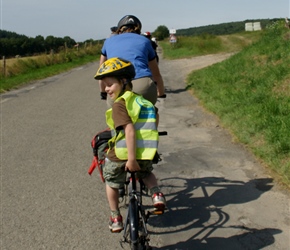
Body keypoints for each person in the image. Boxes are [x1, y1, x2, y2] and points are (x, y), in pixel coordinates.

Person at [94, 57, 166, 233]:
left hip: (123, 155)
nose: (106, 89)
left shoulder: (120, 104)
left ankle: (115, 216)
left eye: (109, 84)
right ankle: (156, 193)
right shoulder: (143, 102)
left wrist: (131, 159)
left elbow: (129, 131)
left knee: (110, 181)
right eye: (105, 85)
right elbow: (154, 118)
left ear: (124, 81)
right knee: (146, 173)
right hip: (145, 153)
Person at [98, 15, 165, 105]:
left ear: (120, 29)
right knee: (150, 114)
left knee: (116, 116)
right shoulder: (145, 41)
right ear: (138, 29)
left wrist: (103, 92)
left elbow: (102, 71)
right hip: (143, 85)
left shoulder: (108, 41)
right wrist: (160, 93)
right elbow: (156, 73)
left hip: (118, 86)